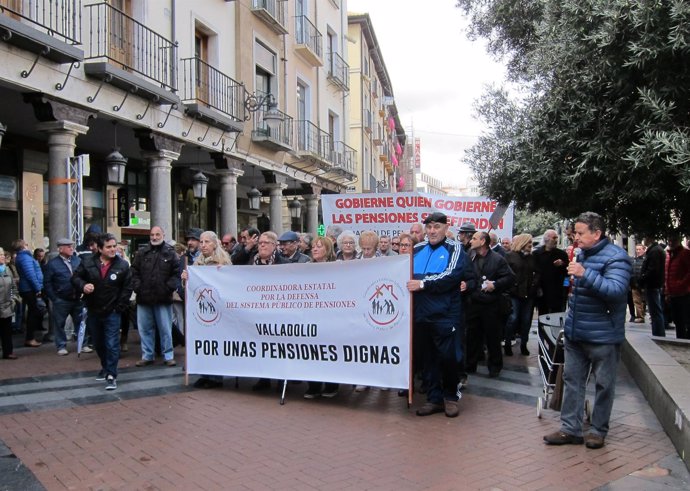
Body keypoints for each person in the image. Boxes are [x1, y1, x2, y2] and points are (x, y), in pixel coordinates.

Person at [543, 212, 631, 449]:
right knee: (573, 380)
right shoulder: (582, 253)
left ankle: (598, 431)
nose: (576, 238)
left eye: (581, 233)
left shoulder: (617, 258)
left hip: (603, 335)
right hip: (576, 331)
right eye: (576, 233)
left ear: (597, 233)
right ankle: (570, 428)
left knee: (604, 384)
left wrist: (585, 273)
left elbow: (616, 290)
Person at [408, 212, 475, 418]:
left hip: (446, 314)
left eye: (436, 227)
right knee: (428, 359)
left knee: (449, 358)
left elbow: (452, 276)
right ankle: (434, 398)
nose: (431, 231)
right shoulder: (417, 248)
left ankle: (451, 397)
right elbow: (404, 273)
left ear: (446, 227)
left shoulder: (455, 248)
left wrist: (423, 284)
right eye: (428, 227)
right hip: (421, 315)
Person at [72, 233, 133, 391]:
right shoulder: (87, 262)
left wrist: (120, 307)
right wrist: (83, 286)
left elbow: (127, 288)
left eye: (114, 246)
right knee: (98, 343)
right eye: (109, 247)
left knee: (112, 343)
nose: (113, 249)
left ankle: (112, 374)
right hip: (94, 308)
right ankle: (105, 366)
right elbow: (75, 277)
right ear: (100, 249)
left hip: (113, 310)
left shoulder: (122, 265)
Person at [182, 231, 232, 389]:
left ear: (214, 244)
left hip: (217, 310)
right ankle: (204, 373)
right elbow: (193, 288)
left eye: (207, 242)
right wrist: (186, 278)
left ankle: (216, 376)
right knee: (203, 341)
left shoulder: (222, 262)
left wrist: (222, 274)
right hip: (202, 310)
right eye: (201, 242)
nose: (203, 245)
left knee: (216, 342)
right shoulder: (197, 264)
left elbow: (230, 284)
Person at [465, 231, 515, 377]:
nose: (470, 241)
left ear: (482, 241)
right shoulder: (470, 256)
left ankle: (495, 366)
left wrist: (496, 285)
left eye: (474, 238)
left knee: (493, 337)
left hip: (491, 304)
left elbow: (510, 278)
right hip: (473, 302)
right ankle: (470, 364)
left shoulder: (498, 259)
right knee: (472, 336)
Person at [131, 226, 181, 368]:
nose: (154, 237)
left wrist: (168, 288)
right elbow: (134, 272)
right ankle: (147, 355)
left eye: (157, 234)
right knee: (145, 329)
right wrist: (138, 287)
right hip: (144, 297)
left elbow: (176, 273)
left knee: (165, 328)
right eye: (152, 234)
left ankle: (168, 355)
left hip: (163, 298)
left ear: (163, 235)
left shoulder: (170, 253)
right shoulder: (142, 253)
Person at [250, 232, 290, 391]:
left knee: (279, 347)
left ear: (274, 246)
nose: (262, 245)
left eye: (266, 243)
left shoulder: (284, 264)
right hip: (259, 312)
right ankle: (264, 378)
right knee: (263, 346)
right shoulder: (252, 262)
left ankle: (281, 380)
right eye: (260, 243)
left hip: (278, 313)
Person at [303, 236, 339, 399]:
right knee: (311, 352)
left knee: (328, 351)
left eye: (319, 246)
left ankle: (331, 385)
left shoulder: (337, 267)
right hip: (311, 316)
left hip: (330, 317)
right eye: (313, 247)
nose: (314, 249)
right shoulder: (306, 267)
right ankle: (313, 385)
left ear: (327, 249)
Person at [43, 238, 83, 356]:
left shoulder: (77, 260)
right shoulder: (52, 264)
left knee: (80, 323)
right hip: (61, 298)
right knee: (59, 323)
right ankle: (61, 345)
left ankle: (83, 344)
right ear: (61, 249)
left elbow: (84, 275)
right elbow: (47, 282)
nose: (72, 248)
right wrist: (54, 298)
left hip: (77, 297)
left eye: (72, 246)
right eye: (68, 246)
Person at [504, 234, 539, 356]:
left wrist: (534, 285)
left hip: (528, 294)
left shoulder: (532, 258)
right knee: (513, 319)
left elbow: (537, 273)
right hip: (514, 293)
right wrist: (512, 287)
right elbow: (505, 273)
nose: (531, 245)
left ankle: (524, 343)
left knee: (526, 320)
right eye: (529, 243)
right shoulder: (509, 256)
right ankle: (507, 343)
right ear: (522, 242)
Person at [12, 239, 44, 348]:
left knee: (32, 311)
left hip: (28, 288)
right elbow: (30, 274)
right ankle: (30, 338)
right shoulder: (25, 258)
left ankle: (30, 337)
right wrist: (37, 288)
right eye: (26, 244)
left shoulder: (23, 257)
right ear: (23, 246)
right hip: (29, 289)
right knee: (33, 312)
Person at [533, 229, 569, 314]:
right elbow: (535, 271)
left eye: (557, 238)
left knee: (557, 314)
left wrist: (562, 264)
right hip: (543, 290)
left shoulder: (562, 254)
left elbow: (567, 271)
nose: (556, 240)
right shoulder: (537, 254)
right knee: (543, 314)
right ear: (547, 239)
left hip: (558, 290)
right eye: (554, 238)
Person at [665, 232, 690, 339]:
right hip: (673, 293)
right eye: (669, 240)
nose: (671, 242)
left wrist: (681, 283)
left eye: (673, 240)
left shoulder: (684, 253)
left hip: (684, 293)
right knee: (678, 321)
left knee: (684, 321)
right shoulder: (670, 254)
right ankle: (681, 341)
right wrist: (667, 291)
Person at [640, 236, 666, 336]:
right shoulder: (655, 250)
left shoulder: (654, 251)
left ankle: (659, 334)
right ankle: (658, 333)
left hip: (653, 284)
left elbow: (652, 269)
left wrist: (643, 278)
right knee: (655, 311)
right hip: (654, 284)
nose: (644, 240)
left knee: (655, 311)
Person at [0, 248, 17, 360]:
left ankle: (8, 352)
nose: (2, 256)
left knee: (7, 330)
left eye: (2, 254)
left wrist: (14, 299)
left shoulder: (7, 269)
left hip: (7, 305)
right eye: (0, 254)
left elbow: (13, 286)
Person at [630, 244, 647, 323]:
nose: (638, 251)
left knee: (644, 301)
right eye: (637, 249)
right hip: (635, 284)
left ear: (644, 250)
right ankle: (640, 316)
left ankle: (642, 314)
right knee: (637, 301)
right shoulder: (634, 260)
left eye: (639, 249)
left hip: (644, 284)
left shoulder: (646, 260)